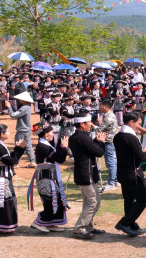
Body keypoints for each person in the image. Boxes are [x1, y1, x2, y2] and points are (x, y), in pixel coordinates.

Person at [113, 111, 146, 237]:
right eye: (138, 124)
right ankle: (125, 223)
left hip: (123, 173)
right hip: (133, 174)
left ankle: (131, 225)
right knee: (143, 198)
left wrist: (142, 151)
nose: (139, 126)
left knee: (129, 200)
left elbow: (131, 155)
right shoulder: (131, 138)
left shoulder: (118, 136)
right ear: (131, 122)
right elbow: (141, 157)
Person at [69, 110, 107, 239]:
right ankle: (80, 228)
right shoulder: (83, 137)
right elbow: (99, 152)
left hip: (84, 172)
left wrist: (95, 142)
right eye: (89, 122)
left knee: (89, 201)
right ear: (82, 124)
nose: (91, 124)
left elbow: (89, 150)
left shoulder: (76, 137)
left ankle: (87, 226)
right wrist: (101, 142)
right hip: (86, 173)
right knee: (93, 202)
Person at [0, 124, 26, 234]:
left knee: (7, 201)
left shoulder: (0, 145)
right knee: (2, 202)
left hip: (4, 177)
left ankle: (2, 226)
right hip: (0, 178)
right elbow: (11, 161)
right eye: (7, 132)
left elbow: (10, 159)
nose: (9, 134)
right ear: (2, 134)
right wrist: (19, 149)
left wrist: (18, 150)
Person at [27, 124, 69, 233]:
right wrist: (63, 147)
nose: (53, 135)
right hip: (45, 178)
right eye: (51, 133)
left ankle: (51, 223)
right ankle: (38, 222)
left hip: (48, 178)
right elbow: (59, 159)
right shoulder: (43, 147)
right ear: (46, 135)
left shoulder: (45, 145)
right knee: (51, 201)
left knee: (57, 199)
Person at [7, 91, 36, 168]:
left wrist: (9, 107)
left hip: (22, 130)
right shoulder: (27, 107)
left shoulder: (24, 108)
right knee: (28, 146)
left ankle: (16, 163)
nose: (19, 100)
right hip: (26, 130)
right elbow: (17, 112)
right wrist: (10, 106)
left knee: (18, 146)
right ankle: (32, 161)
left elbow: (13, 115)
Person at [96, 99, 119, 192]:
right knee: (112, 161)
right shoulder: (108, 115)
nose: (99, 107)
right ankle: (115, 180)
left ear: (105, 106)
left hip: (109, 142)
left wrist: (91, 125)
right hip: (110, 141)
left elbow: (100, 129)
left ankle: (111, 183)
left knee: (111, 162)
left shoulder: (108, 116)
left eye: (100, 105)